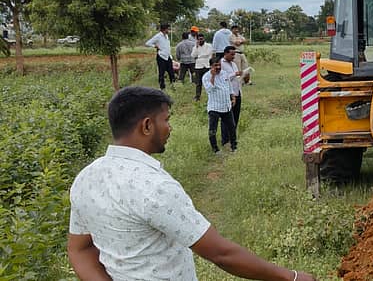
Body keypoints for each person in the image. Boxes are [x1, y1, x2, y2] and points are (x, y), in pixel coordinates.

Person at [67, 86, 315, 281]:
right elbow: (221, 254)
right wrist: (291, 277)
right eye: (166, 120)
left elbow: (80, 250)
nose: (170, 128)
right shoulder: (154, 187)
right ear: (146, 125)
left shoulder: (86, 178)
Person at [203, 57, 238, 154]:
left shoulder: (224, 74)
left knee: (232, 126)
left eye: (219, 65)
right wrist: (213, 76)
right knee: (213, 129)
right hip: (214, 107)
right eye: (215, 65)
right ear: (211, 66)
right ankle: (215, 149)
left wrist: (233, 97)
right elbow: (209, 89)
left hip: (226, 105)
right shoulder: (206, 76)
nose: (218, 67)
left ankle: (234, 146)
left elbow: (229, 86)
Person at [221, 46, 243, 141]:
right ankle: (225, 139)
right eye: (232, 54)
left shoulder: (233, 64)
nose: (233, 56)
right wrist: (235, 74)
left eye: (234, 54)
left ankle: (232, 138)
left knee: (235, 116)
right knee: (227, 118)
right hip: (228, 94)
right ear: (225, 53)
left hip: (237, 92)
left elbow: (236, 78)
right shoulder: (221, 64)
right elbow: (222, 78)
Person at [145, 23, 176, 90]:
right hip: (161, 56)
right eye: (168, 29)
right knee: (161, 73)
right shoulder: (158, 36)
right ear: (164, 29)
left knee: (171, 72)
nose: (169, 30)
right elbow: (148, 43)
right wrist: (155, 46)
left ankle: (173, 85)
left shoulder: (167, 36)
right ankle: (162, 87)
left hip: (168, 56)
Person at [191, 33, 214, 102]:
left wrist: (199, 56)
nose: (201, 40)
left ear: (204, 39)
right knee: (198, 83)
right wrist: (197, 47)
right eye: (199, 39)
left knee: (209, 82)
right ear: (197, 40)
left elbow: (208, 54)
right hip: (198, 66)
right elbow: (193, 55)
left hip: (206, 65)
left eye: (202, 39)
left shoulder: (208, 45)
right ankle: (197, 96)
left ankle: (211, 95)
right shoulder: (195, 47)